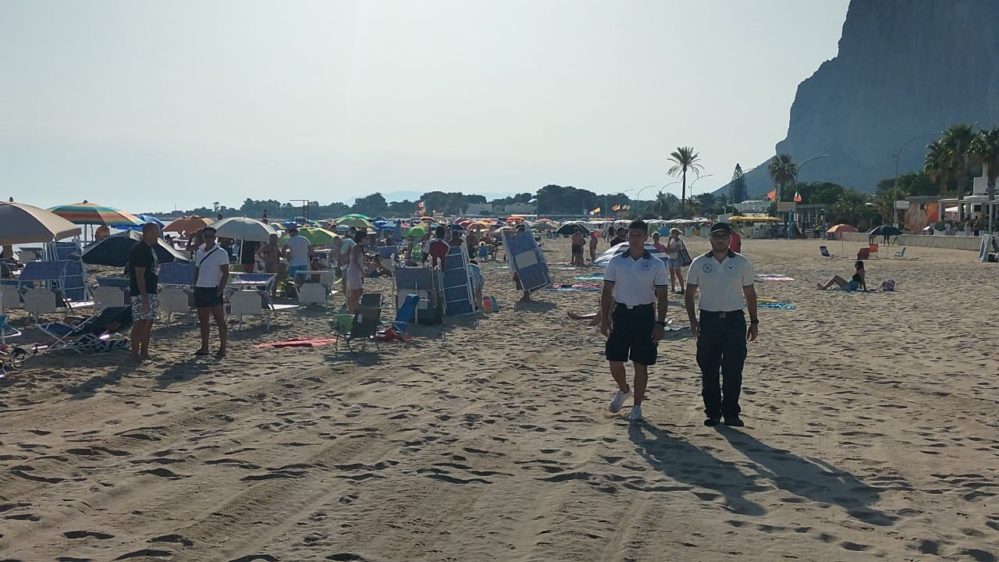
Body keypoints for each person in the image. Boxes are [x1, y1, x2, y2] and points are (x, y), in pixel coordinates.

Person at [684, 222, 758, 428]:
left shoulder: (742, 263)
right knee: (709, 369)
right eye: (716, 236)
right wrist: (692, 320)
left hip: (734, 321)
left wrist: (754, 321)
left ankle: (732, 413)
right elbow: (689, 294)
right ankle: (713, 412)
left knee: (733, 369)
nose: (720, 240)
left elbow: (750, 294)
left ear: (730, 239)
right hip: (708, 321)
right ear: (710, 239)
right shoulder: (699, 263)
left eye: (724, 237)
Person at [600, 219, 669, 422]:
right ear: (627, 236)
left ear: (645, 237)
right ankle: (623, 390)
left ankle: (637, 406)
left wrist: (660, 323)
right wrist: (604, 319)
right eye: (631, 234)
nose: (635, 239)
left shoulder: (655, 264)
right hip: (621, 314)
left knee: (641, 363)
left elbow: (663, 296)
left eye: (639, 235)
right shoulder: (617, 261)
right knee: (614, 361)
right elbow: (606, 292)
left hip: (644, 315)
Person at [193, 227, 230, 357]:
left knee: (220, 320)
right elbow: (197, 269)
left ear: (215, 238)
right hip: (201, 288)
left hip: (213, 288)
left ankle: (223, 348)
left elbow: (226, 272)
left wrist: (220, 290)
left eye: (211, 236)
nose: (208, 239)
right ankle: (205, 347)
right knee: (203, 320)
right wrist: (195, 285)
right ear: (203, 237)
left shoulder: (221, 252)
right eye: (206, 236)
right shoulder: (199, 251)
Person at [128, 223, 161, 361]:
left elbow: (151, 270)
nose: (158, 235)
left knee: (148, 322)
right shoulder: (140, 249)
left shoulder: (150, 249)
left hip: (151, 291)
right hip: (141, 293)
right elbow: (139, 275)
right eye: (155, 232)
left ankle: (144, 352)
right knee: (140, 323)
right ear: (148, 233)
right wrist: (144, 298)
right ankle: (135, 353)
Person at [344, 230, 367, 313]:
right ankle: (351, 309)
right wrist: (362, 271)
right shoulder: (356, 247)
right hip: (354, 271)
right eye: (365, 238)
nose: (366, 239)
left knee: (358, 291)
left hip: (356, 271)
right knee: (355, 291)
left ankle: (354, 307)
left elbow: (359, 260)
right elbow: (355, 260)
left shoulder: (359, 247)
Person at [665, 228, 687, 294]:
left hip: (677, 258)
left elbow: (675, 250)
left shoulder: (679, 241)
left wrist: (669, 251)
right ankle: (673, 288)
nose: (671, 235)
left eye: (673, 233)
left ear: (676, 234)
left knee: (678, 273)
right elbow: (668, 248)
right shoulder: (671, 240)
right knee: (671, 273)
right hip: (670, 258)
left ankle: (682, 288)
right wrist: (668, 241)